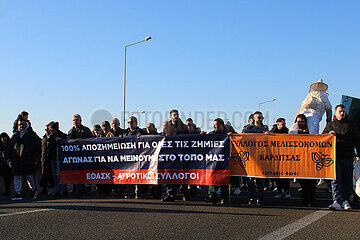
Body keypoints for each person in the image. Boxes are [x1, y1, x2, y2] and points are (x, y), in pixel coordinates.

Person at [323, 105, 360, 210]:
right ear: (335, 113)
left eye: (343, 111)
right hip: (334, 157)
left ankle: (346, 200)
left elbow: (357, 140)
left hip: (348, 156)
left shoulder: (351, 125)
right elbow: (323, 137)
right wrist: (329, 134)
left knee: (346, 179)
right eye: (340, 111)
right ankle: (336, 201)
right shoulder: (330, 125)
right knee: (335, 180)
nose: (342, 113)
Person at [7, 117, 41, 200]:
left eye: (22, 124)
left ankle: (34, 191)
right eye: (19, 124)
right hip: (17, 161)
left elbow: (37, 144)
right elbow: (10, 148)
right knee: (17, 177)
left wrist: (29, 149)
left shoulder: (31, 134)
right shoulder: (15, 135)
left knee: (30, 177)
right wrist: (8, 158)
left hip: (27, 160)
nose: (21, 126)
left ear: (26, 124)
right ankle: (18, 193)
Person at [162, 109, 189, 202]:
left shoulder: (184, 127)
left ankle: (186, 194)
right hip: (171, 155)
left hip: (182, 154)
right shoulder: (167, 127)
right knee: (171, 175)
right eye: (174, 115)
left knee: (183, 174)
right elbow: (162, 138)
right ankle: (170, 194)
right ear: (170, 116)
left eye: (177, 114)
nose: (176, 116)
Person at [243, 111, 269, 206]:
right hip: (251, 158)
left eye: (262, 118)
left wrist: (268, 135)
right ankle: (251, 197)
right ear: (254, 118)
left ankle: (260, 197)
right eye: (259, 117)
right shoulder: (247, 128)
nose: (261, 119)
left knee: (260, 180)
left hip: (261, 158)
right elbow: (242, 140)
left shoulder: (265, 128)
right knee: (250, 180)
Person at [203, 118, 231, 205]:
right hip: (214, 160)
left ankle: (224, 198)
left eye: (217, 125)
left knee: (224, 180)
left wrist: (232, 136)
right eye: (214, 125)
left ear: (222, 125)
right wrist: (202, 135)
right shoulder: (212, 134)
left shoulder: (228, 134)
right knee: (212, 179)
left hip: (224, 160)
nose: (215, 127)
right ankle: (212, 197)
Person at [291, 114, 316, 206]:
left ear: (305, 122)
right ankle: (306, 199)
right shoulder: (294, 132)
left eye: (301, 121)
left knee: (311, 182)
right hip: (300, 161)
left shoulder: (310, 131)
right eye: (298, 122)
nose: (300, 123)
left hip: (310, 161)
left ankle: (311, 198)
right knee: (303, 182)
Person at [68, 114, 93, 198]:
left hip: (83, 156)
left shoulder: (86, 130)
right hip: (73, 157)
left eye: (76, 120)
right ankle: (75, 191)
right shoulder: (71, 131)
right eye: (73, 120)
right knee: (74, 174)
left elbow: (92, 142)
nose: (75, 122)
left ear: (80, 121)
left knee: (81, 174)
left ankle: (80, 191)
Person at [123, 116, 147, 198]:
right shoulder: (126, 132)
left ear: (136, 123)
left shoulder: (142, 132)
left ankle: (138, 192)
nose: (129, 124)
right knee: (129, 175)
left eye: (131, 122)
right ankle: (130, 192)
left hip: (139, 157)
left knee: (138, 175)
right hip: (129, 157)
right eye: (128, 122)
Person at [270, 118, 291, 199]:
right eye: (283, 124)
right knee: (277, 177)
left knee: (286, 176)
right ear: (278, 124)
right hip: (276, 157)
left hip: (285, 157)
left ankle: (287, 191)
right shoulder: (273, 132)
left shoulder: (288, 131)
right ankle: (279, 191)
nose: (284, 126)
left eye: (285, 124)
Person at [47, 122, 67, 197]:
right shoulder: (51, 137)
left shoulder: (62, 136)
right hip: (53, 158)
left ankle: (64, 189)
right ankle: (57, 190)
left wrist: (61, 140)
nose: (51, 131)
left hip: (60, 158)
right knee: (55, 175)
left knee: (60, 175)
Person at [40, 121, 55, 195]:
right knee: (44, 175)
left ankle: (53, 188)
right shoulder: (44, 137)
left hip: (52, 158)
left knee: (52, 175)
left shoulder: (54, 136)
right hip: (44, 158)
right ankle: (44, 189)